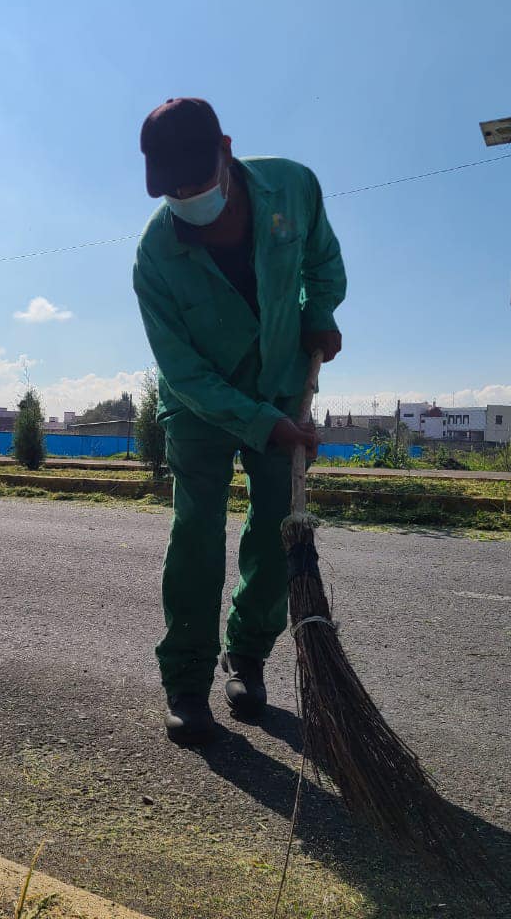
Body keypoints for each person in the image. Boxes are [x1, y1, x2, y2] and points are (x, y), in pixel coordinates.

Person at [132, 98, 347, 745]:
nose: (186, 197)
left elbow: (323, 261)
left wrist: (320, 311)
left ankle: (248, 657)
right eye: (172, 189)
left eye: (196, 182)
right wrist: (259, 422)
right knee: (196, 535)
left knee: (277, 529)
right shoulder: (155, 257)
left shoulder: (292, 187)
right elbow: (183, 372)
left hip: (280, 384)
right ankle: (186, 681)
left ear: (226, 148)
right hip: (200, 410)